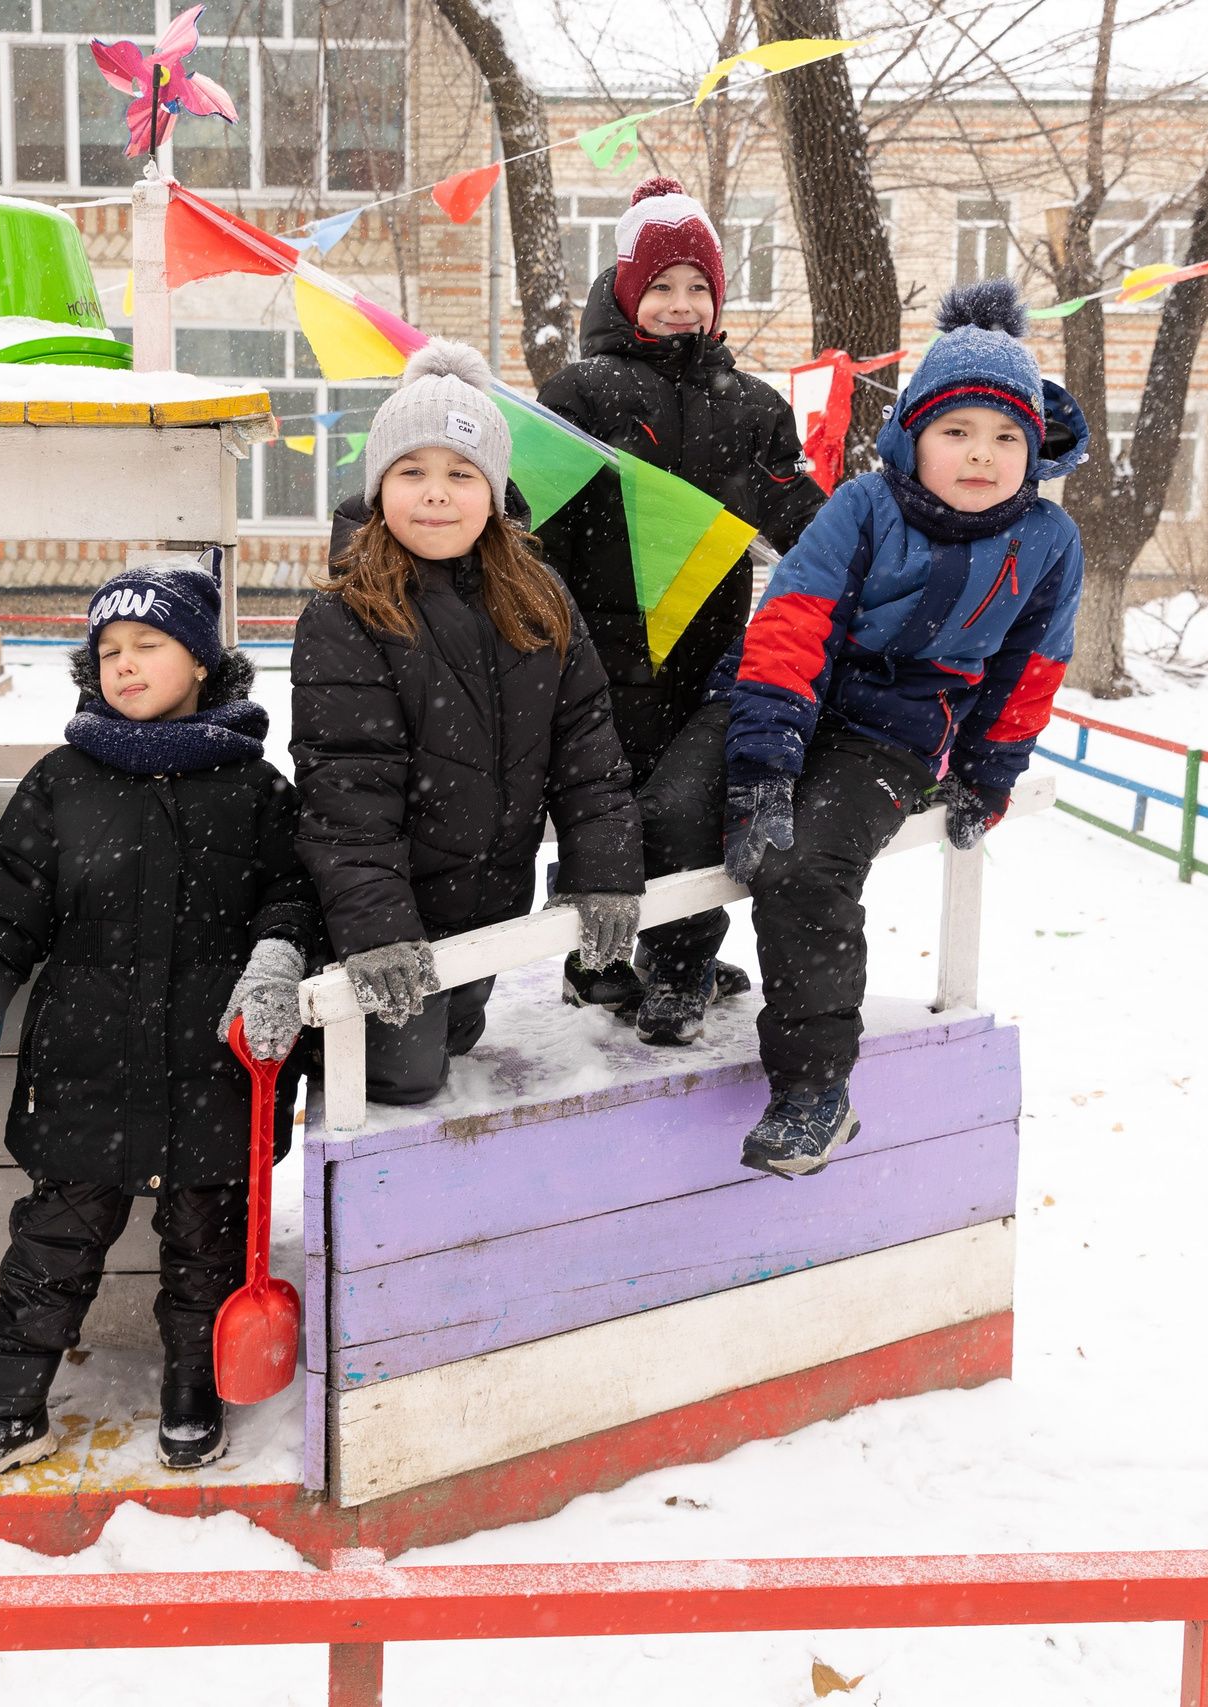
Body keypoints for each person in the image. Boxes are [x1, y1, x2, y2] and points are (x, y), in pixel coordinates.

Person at [638, 279, 1087, 1178]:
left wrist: (987, 774)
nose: (980, 455)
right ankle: (677, 966)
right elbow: (793, 621)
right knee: (679, 804)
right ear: (912, 435)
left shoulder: (1045, 540)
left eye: (1006, 438)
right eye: (956, 431)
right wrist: (763, 761)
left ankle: (814, 1090)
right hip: (776, 690)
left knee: (804, 865)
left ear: (1033, 451)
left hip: (893, 733)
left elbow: (1031, 667)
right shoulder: (863, 508)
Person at [0, 562, 318, 1490]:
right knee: (48, 1251)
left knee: (205, 1247)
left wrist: (277, 959)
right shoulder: (63, 782)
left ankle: (193, 1393)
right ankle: (7, 1408)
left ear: (205, 664)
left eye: (150, 646)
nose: (126, 665)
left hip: (211, 1070)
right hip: (86, 1068)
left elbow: (294, 897)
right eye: (109, 651)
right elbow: (10, 909)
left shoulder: (256, 787)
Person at [291, 339, 642, 1106]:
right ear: (380, 486)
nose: (436, 493)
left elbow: (588, 750)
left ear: (494, 489)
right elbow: (347, 792)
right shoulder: (344, 613)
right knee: (404, 1078)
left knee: (456, 1039)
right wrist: (380, 930)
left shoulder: (541, 595)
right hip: (387, 911)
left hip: (488, 900)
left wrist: (604, 872)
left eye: (461, 472)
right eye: (411, 471)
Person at [531, 176, 825, 1035]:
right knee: (600, 813)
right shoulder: (580, 396)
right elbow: (536, 530)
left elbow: (800, 520)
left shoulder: (755, 409)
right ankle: (596, 960)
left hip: (707, 654)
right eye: (660, 286)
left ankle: (678, 964)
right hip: (594, 657)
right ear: (626, 291)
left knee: (688, 812)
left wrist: (865, 528)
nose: (681, 304)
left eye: (698, 286)